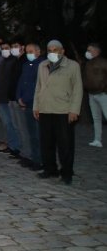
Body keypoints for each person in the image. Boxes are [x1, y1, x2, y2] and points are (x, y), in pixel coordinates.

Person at [34, 40, 83, 185]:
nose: (52, 52)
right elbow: (38, 86)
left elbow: (77, 89)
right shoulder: (42, 65)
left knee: (65, 144)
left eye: (55, 50)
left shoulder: (72, 66)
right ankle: (50, 169)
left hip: (63, 109)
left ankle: (67, 172)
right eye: (49, 50)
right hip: (45, 108)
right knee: (46, 142)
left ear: (62, 51)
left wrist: (74, 110)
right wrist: (36, 106)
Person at [16, 43, 44, 170]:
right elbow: (21, 82)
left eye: (31, 51)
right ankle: (33, 157)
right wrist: (19, 97)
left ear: (38, 52)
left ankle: (40, 160)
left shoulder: (42, 65)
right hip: (26, 102)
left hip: (36, 102)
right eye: (27, 52)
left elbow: (37, 85)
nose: (29, 54)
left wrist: (25, 98)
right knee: (31, 132)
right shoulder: (26, 65)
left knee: (38, 133)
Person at [0, 43, 22, 156]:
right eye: (3, 49)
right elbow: (0, 81)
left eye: (7, 48)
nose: (4, 50)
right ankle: (11, 145)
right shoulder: (2, 61)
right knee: (6, 123)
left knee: (13, 124)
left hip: (9, 97)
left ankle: (17, 147)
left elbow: (12, 82)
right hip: (1, 97)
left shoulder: (14, 62)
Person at [83, 43, 107, 147]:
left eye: (89, 50)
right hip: (91, 94)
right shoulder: (88, 63)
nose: (87, 52)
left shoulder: (103, 62)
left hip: (103, 94)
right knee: (96, 118)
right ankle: (97, 140)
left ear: (96, 51)